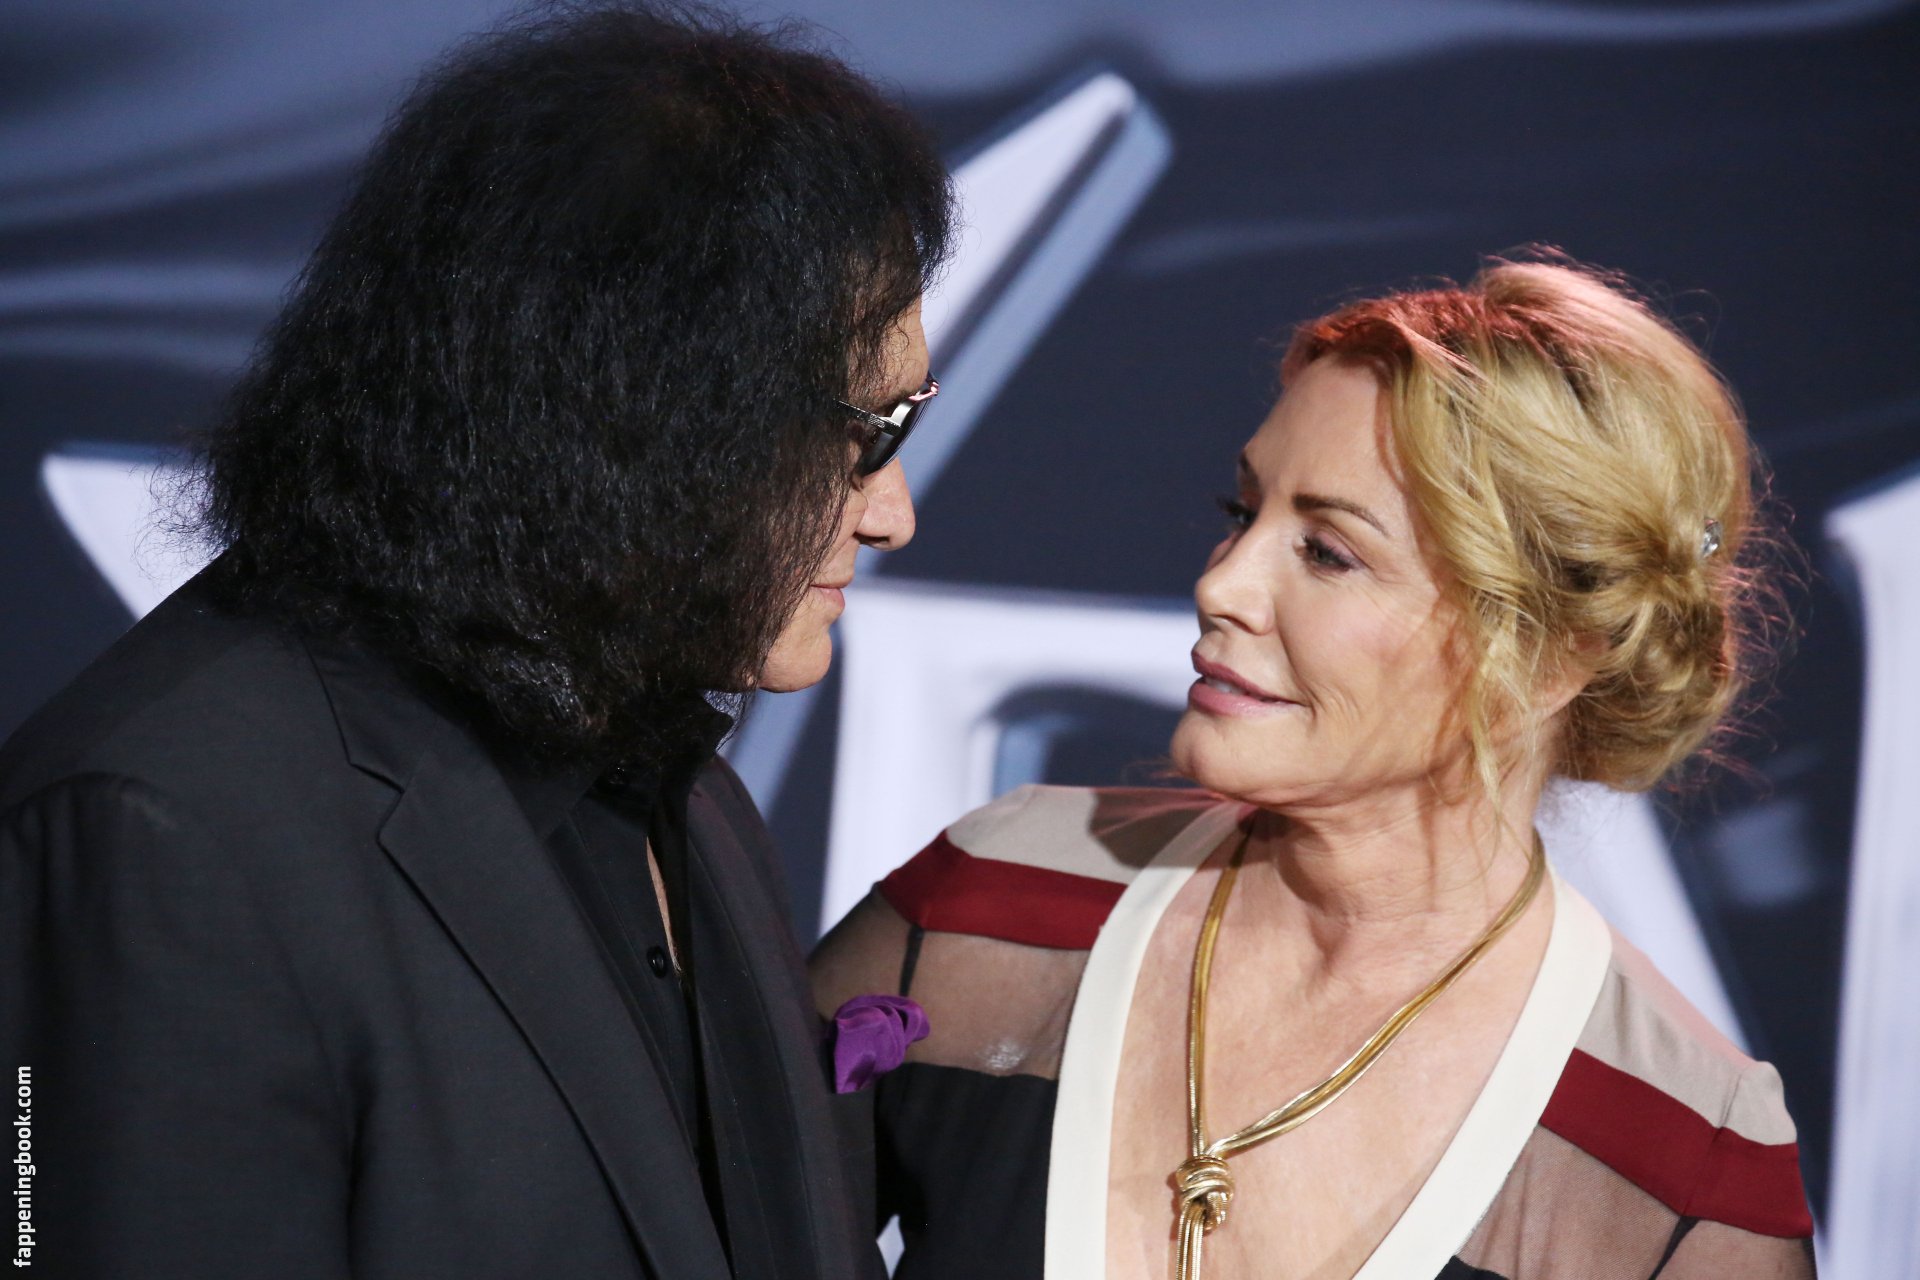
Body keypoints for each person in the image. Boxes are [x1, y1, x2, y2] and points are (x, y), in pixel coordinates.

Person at [0, 5, 951, 1277]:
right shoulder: (164, 835)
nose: (890, 513)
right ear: (641, 407)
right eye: (868, 430)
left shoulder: (685, 789)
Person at [813, 258, 1817, 1279]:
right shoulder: (992, 905)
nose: (1222, 585)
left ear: (1555, 656)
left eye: (1329, 551)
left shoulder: (1685, 1160)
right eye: (1241, 512)